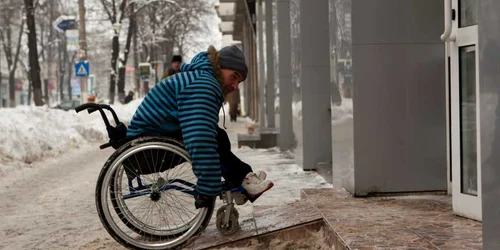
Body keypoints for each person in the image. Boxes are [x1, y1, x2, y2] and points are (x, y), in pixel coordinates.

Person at [126, 45, 274, 208]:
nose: (234, 86)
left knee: (219, 137)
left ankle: (241, 178)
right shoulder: (203, 84)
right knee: (213, 139)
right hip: (146, 152)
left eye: (239, 82)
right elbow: (199, 137)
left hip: (149, 138)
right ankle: (243, 179)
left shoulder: (201, 78)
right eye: (234, 77)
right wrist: (207, 187)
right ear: (220, 67)